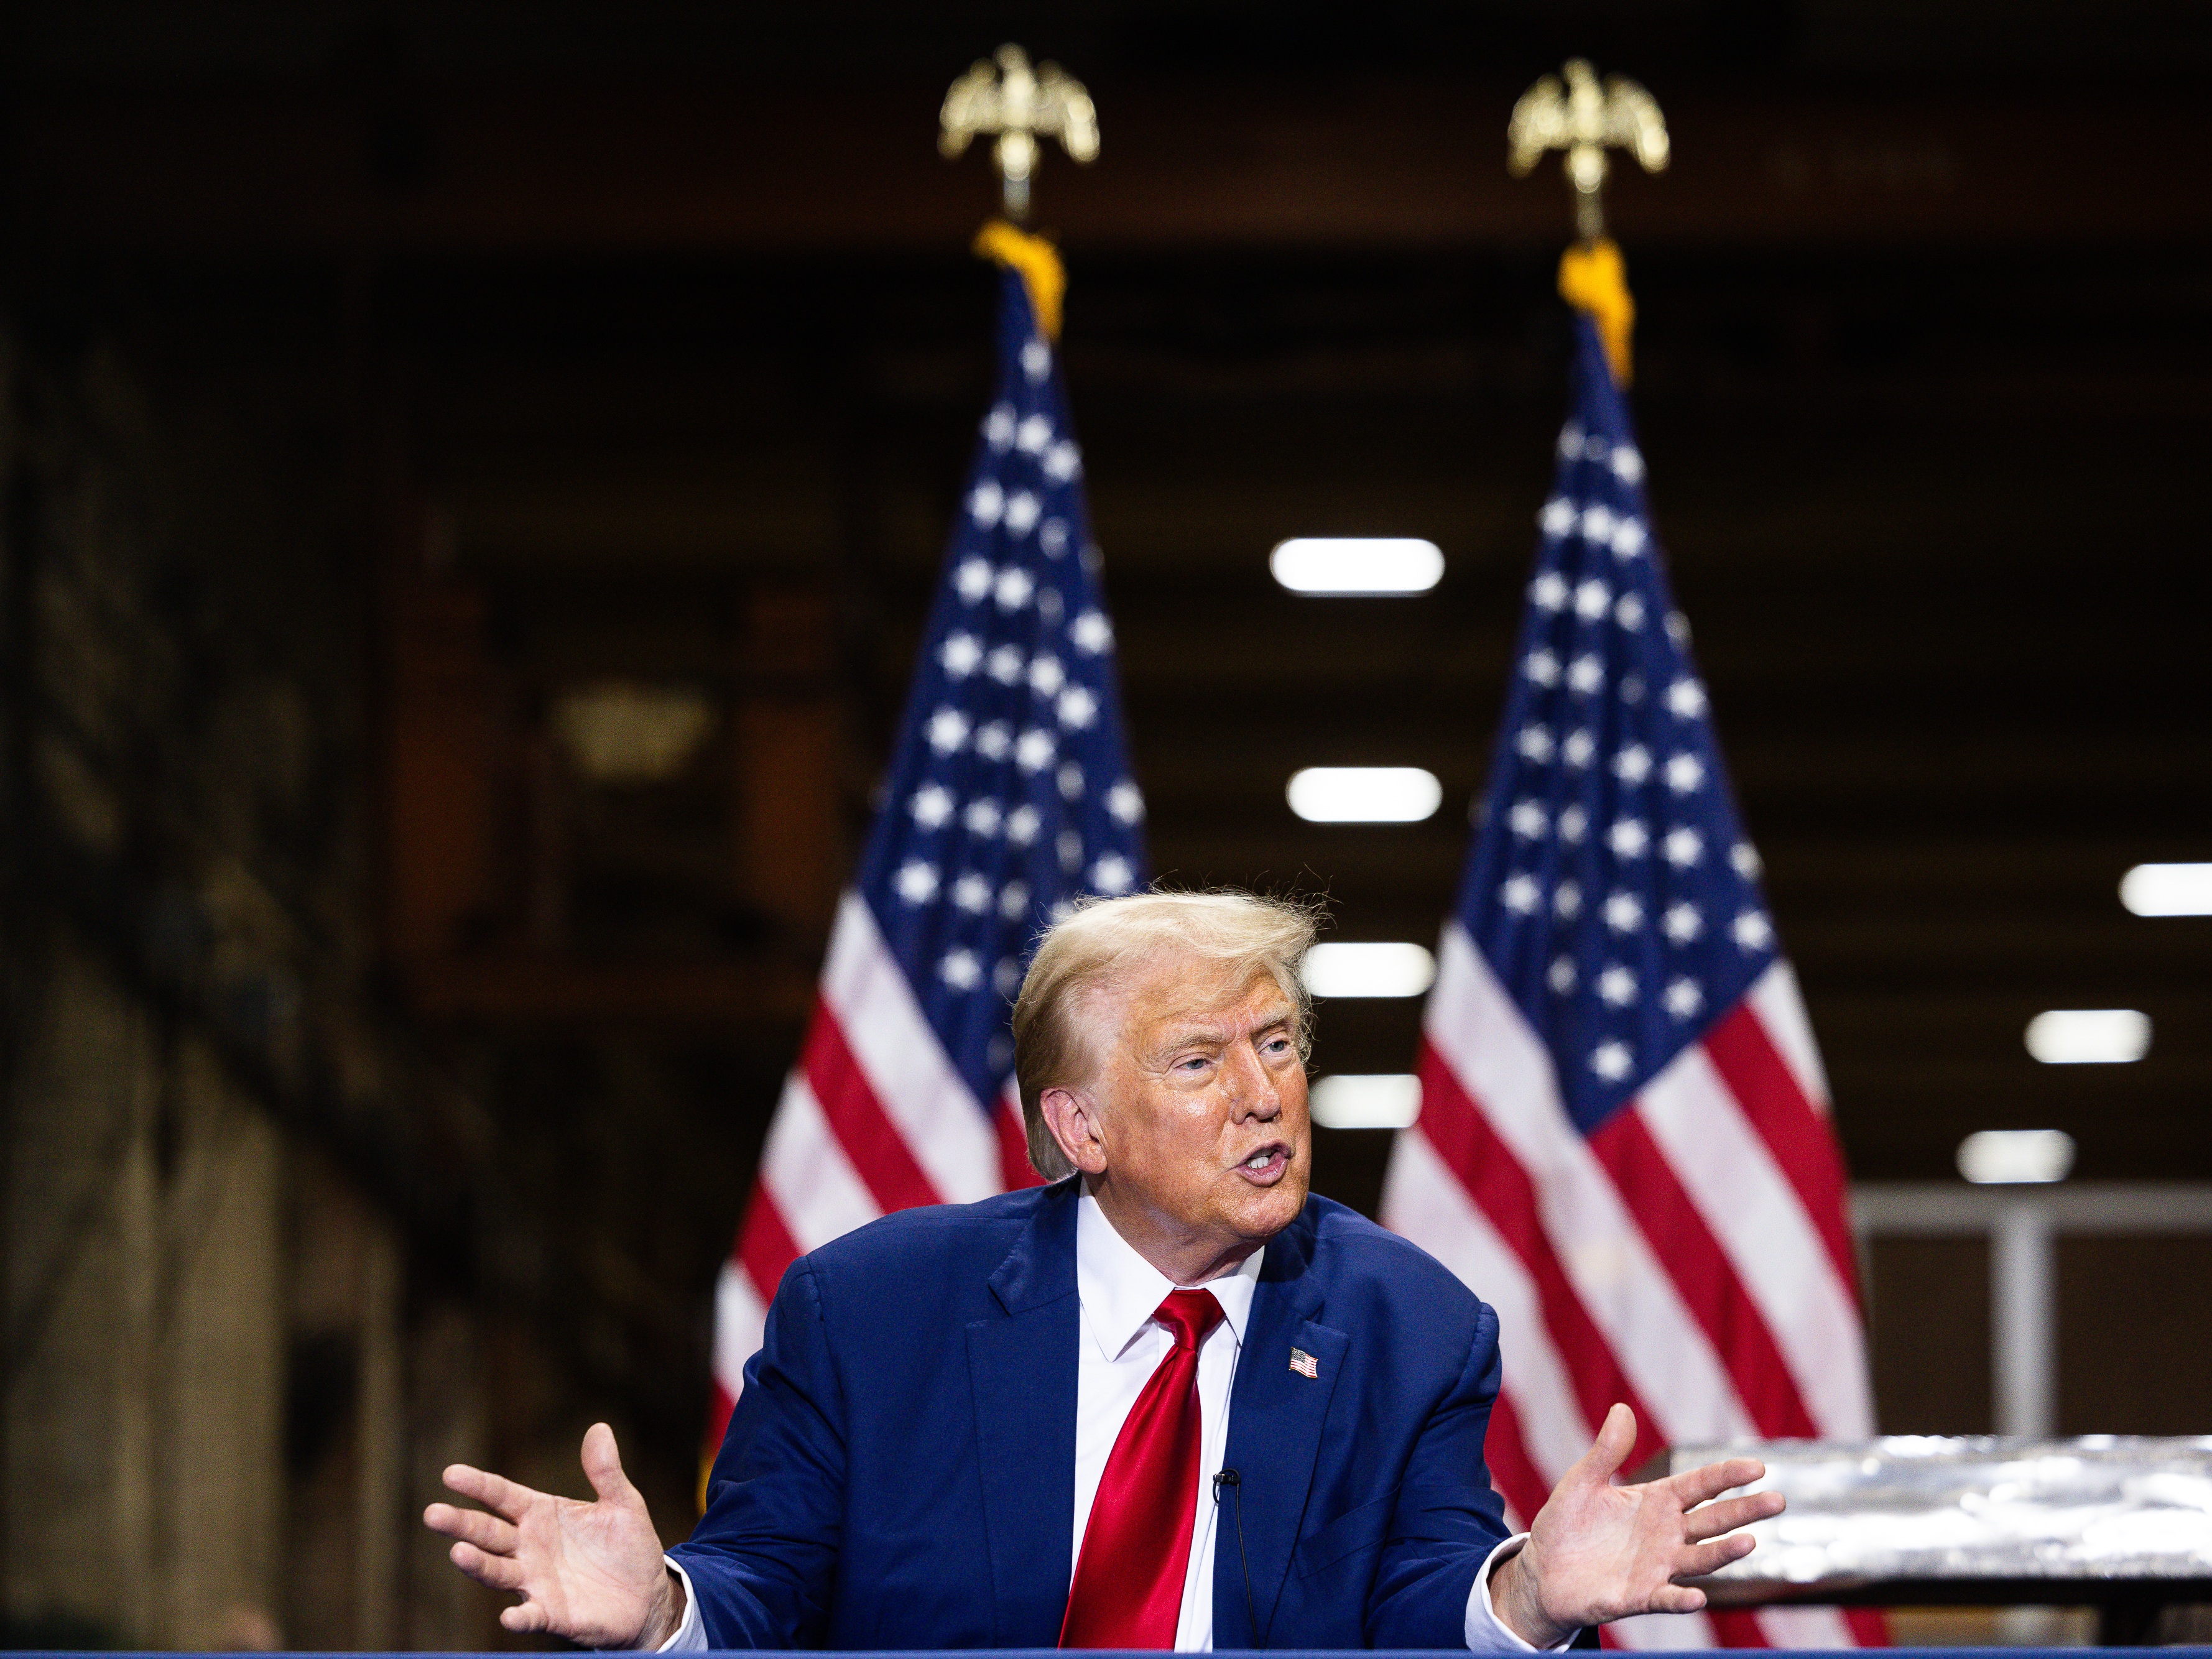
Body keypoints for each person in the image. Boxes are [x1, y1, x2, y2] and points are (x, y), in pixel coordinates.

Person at [425, 890, 1784, 1651]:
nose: (1265, 1094)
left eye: (1279, 1043)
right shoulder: (869, 1313)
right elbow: (765, 1583)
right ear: (1079, 1128)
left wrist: (1530, 1591)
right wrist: (660, 1606)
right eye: (1200, 1060)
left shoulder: (1405, 1321)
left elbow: (1419, 1601)